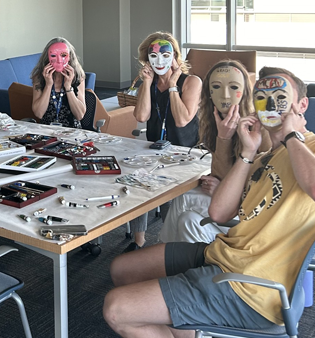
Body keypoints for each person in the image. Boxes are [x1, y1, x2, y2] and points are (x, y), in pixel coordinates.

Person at [103, 67, 315, 337]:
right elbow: (219, 211)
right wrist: (248, 154)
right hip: (221, 256)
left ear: (302, 105)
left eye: (280, 97)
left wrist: (290, 135)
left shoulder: (309, 148)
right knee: (122, 269)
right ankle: (186, 327)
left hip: (252, 288)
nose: (271, 104)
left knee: (116, 309)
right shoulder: (264, 157)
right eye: (263, 98)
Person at [160, 60, 271, 243]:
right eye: (217, 87)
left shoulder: (260, 126)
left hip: (253, 208)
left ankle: (162, 254)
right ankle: (173, 259)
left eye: (233, 86)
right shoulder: (215, 119)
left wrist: (222, 189)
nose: (225, 95)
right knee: (186, 218)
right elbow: (220, 174)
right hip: (231, 196)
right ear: (209, 93)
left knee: (184, 201)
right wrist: (223, 138)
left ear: (244, 91)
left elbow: (262, 184)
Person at [126, 32, 202, 252]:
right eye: (153, 56)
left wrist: (172, 85)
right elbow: (141, 117)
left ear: (175, 57)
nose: (159, 61)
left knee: (171, 195)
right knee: (136, 183)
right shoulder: (148, 83)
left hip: (184, 151)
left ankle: (169, 246)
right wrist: (147, 83)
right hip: (153, 148)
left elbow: (182, 120)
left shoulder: (192, 82)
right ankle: (138, 241)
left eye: (165, 55)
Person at [31, 37, 86, 127]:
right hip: (47, 131)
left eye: (63, 55)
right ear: (47, 58)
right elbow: (38, 113)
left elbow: (80, 115)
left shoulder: (78, 77)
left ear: (70, 57)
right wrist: (48, 85)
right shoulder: (39, 77)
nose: (59, 60)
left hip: (72, 132)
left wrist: (68, 87)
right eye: (53, 56)